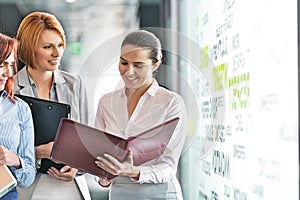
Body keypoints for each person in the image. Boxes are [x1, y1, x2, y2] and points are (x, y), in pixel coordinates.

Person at [95, 30, 187, 200]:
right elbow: (98, 157)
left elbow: (168, 166)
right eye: (124, 63)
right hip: (119, 194)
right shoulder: (106, 103)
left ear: (155, 65)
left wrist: (134, 172)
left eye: (138, 65)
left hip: (160, 194)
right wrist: (102, 176)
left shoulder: (171, 103)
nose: (129, 72)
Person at [14, 12, 89, 199]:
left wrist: (77, 166)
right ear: (30, 48)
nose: (57, 54)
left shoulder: (75, 85)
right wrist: (39, 152)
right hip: (26, 188)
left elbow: (87, 141)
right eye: (47, 47)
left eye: (60, 45)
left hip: (70, 188)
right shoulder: (10, 88)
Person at [0, 32, 36, 200]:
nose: (8, 72)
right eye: (2, 64)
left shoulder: (20, 109)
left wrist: (15, 160)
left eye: (11, 64)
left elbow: (28, 177)